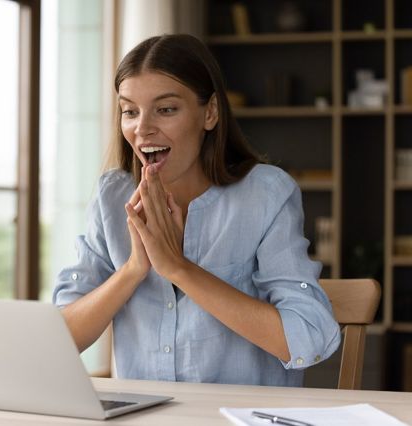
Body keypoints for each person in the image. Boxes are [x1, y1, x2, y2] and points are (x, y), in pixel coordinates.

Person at [52, 34, 340, 386]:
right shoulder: (112, 196)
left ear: (210, 113)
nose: (142, 128)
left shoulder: (266, 195)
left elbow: (309, 337)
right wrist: (133, 270)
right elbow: (59, 340)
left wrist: (178, 267)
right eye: (130, 111)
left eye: (166, 109)